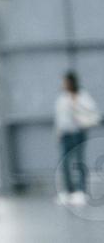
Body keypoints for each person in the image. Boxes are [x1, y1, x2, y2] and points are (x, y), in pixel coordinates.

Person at [56, 71, 100, 206]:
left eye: (64, 81)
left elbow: (92, 112)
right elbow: (59, 117)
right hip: (65, 134)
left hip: (78, 133)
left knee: (79, 161)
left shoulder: (82, 96)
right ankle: (68, 192)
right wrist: (58, 132)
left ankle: (81, 192)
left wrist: (77, 109)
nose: (62, 84)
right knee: (64, 163)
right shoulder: (63, 98)